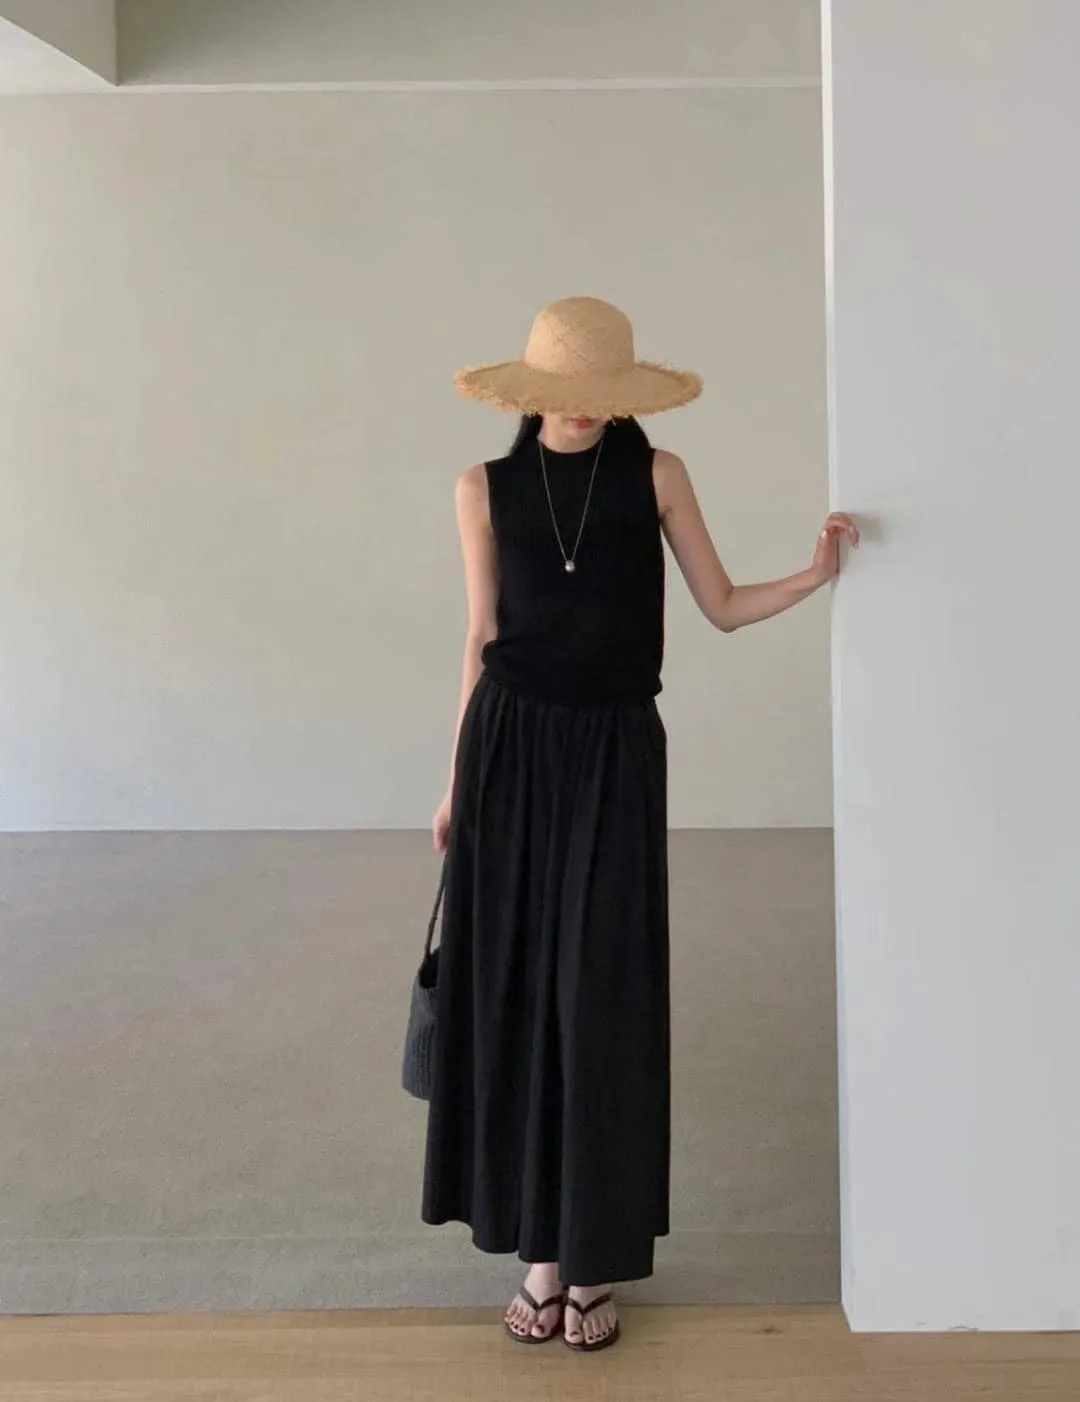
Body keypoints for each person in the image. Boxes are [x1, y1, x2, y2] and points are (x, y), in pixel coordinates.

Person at [421, 297, 858, 1353]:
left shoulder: (657, 475)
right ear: (530, 396)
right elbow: (480, 637)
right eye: (563, 395)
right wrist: (453, 783)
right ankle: (540, 1252)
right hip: (509, 751)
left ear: (623, 399)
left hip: (615, 750)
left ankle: (594, 1250)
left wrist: (814, 576)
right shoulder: (482, 489)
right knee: (522, 989)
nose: (580, 412)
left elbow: (720, 603)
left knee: (602, 993)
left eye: (599, 397)